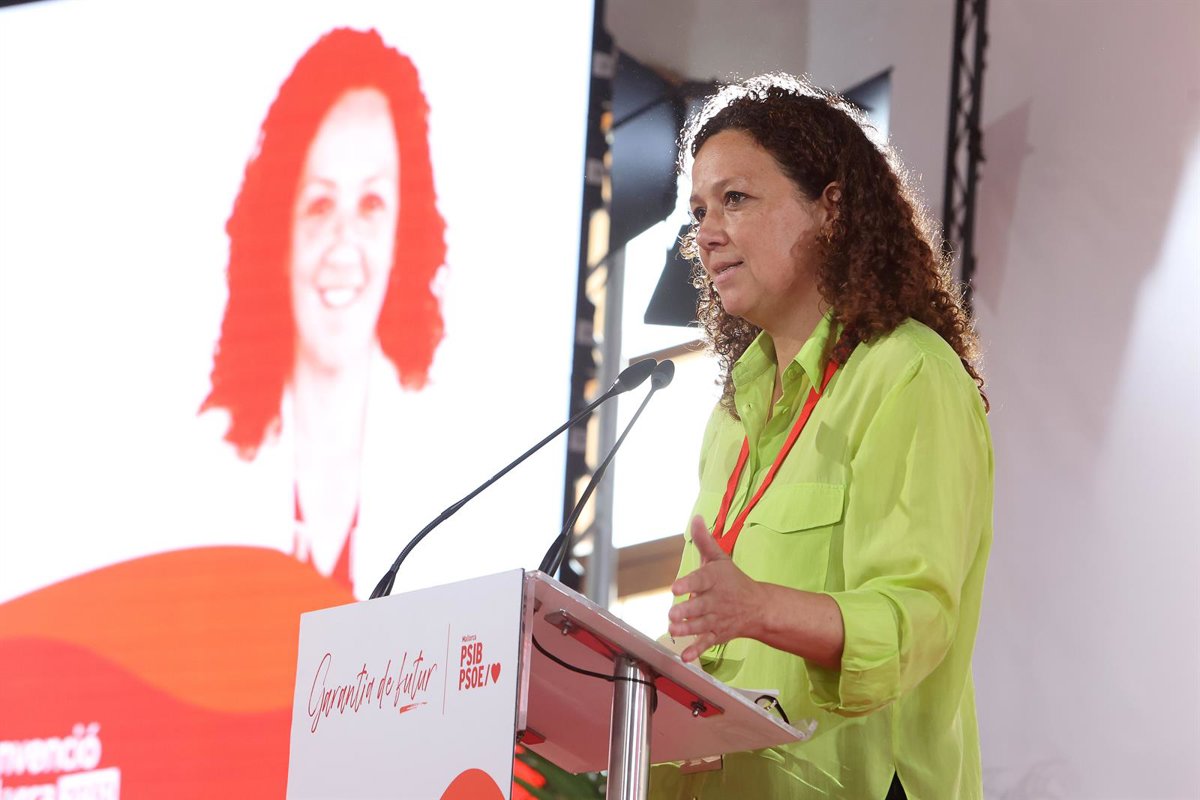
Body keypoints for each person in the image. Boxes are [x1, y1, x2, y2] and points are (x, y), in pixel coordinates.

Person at [652, 74, 993, 799]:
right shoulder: (732, 417)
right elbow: (699, 638)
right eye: (699, 211)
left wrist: (761, 609)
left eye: (735, 199)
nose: (706, 233)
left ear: (831, 208)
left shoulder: (907, 374)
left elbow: (915, 620)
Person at [200, 28, 446, 591]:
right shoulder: (204, 466)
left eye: (371, 204)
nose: (343, 242)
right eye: (319, 204)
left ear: (401, 233)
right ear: (280, 232)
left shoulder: (442, 458)